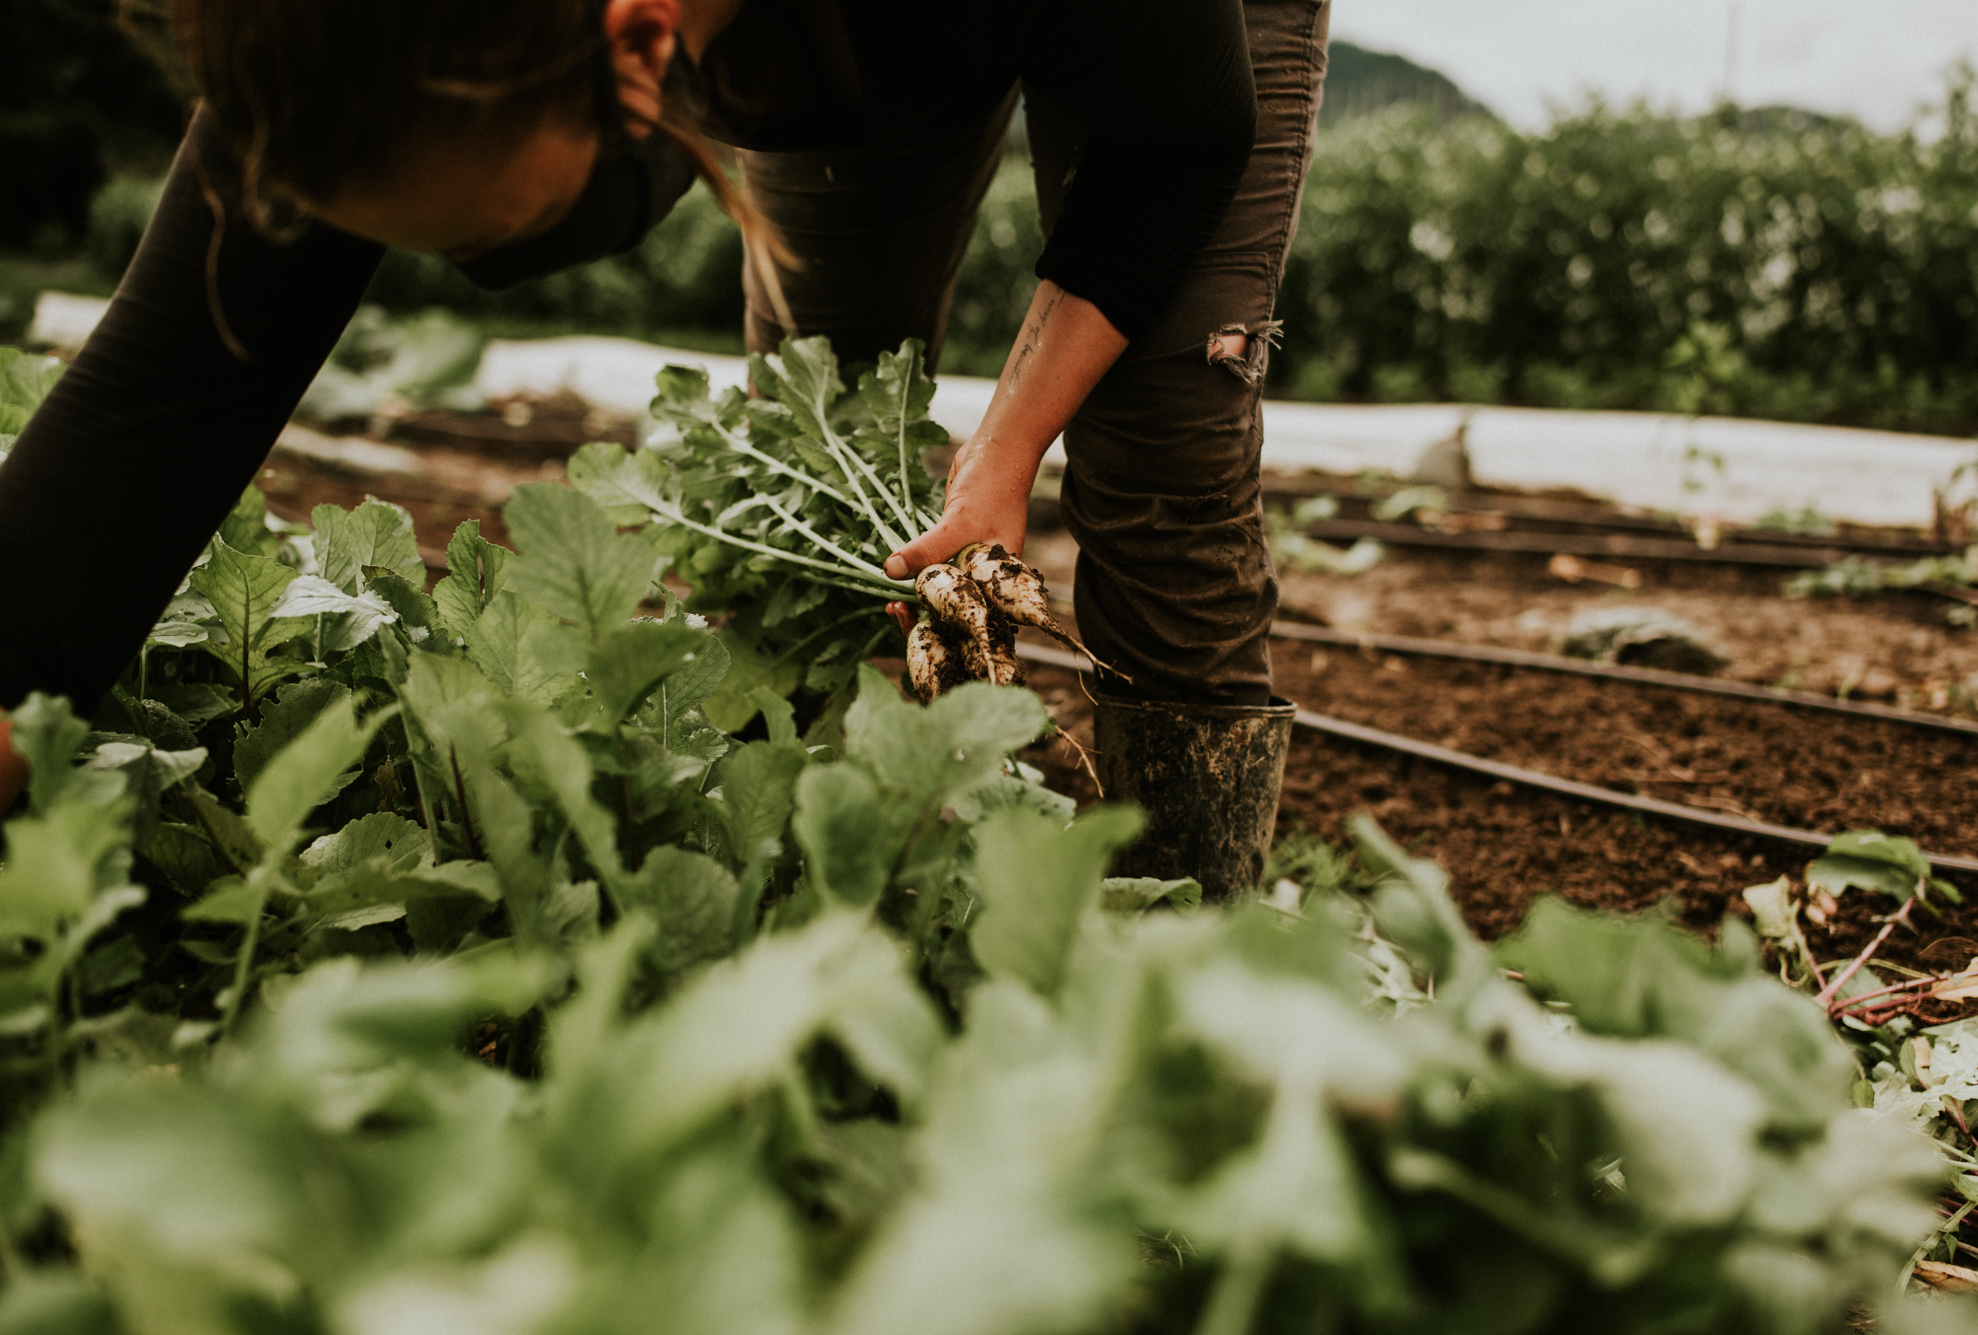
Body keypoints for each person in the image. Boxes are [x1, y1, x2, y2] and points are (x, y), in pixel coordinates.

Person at [0, 0, 1329, 894]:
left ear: (642, 54)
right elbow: (169, 386)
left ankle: (1194, 952)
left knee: (1162, 451)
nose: (474, 266)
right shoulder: (364, 39)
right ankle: (891, 890)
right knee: (829, 449)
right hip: (833, 35)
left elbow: (1181, 140)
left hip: (1165, 44)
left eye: (482, 235)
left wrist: (1002, 458)